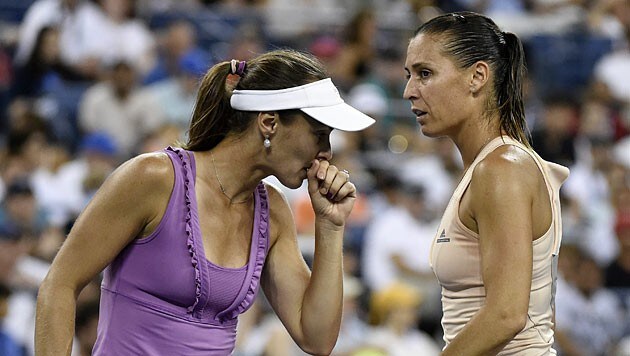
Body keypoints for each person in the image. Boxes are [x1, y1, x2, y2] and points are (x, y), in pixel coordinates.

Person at [35, 49, 375, 355]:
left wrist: (330, 227)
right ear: (269, 122)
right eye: (320, 134)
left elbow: (317, 338)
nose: (327, 152)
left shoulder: (273, 211)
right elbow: (59, 285)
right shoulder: (152, 178)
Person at [402, 11, 570, 355]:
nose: (408, 91)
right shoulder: (493, 166)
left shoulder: (501, 168)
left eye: (425, 74)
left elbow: (507, 314)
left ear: (477, 76)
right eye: (409, 75)